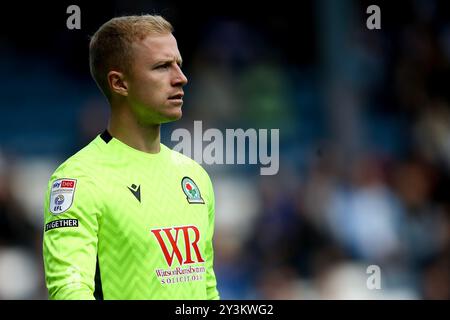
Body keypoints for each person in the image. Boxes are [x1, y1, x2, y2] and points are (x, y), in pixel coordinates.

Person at [42, 15, 220, 300]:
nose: (181, 78)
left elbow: (207, 289)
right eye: (162, 67)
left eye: (179, 65)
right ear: (119, 83)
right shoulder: (79, 179)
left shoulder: (195, 177)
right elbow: (69, 291)